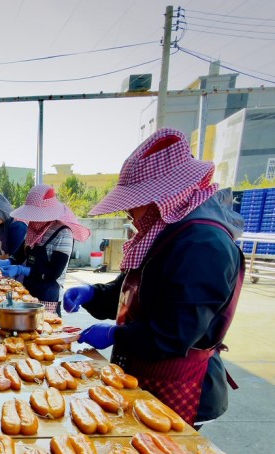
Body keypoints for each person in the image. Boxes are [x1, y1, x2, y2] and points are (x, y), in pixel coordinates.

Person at [63, 128, 245, 428]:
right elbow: (139, 290)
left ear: (161, 197)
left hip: (178, 381)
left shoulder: (202, 243)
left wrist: (114, 335)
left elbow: (175, 332)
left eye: (135, 202)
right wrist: (95, 294)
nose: (130, 212)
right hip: (142, 370)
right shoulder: (166, 231)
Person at [0, 184, 90, 314]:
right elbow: (21, 252)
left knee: (44, 329)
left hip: (47, 295)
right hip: (29, 290)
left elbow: (53, 272)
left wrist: (21, 269)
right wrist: (9, 261)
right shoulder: (33, 228)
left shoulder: (63, 233)